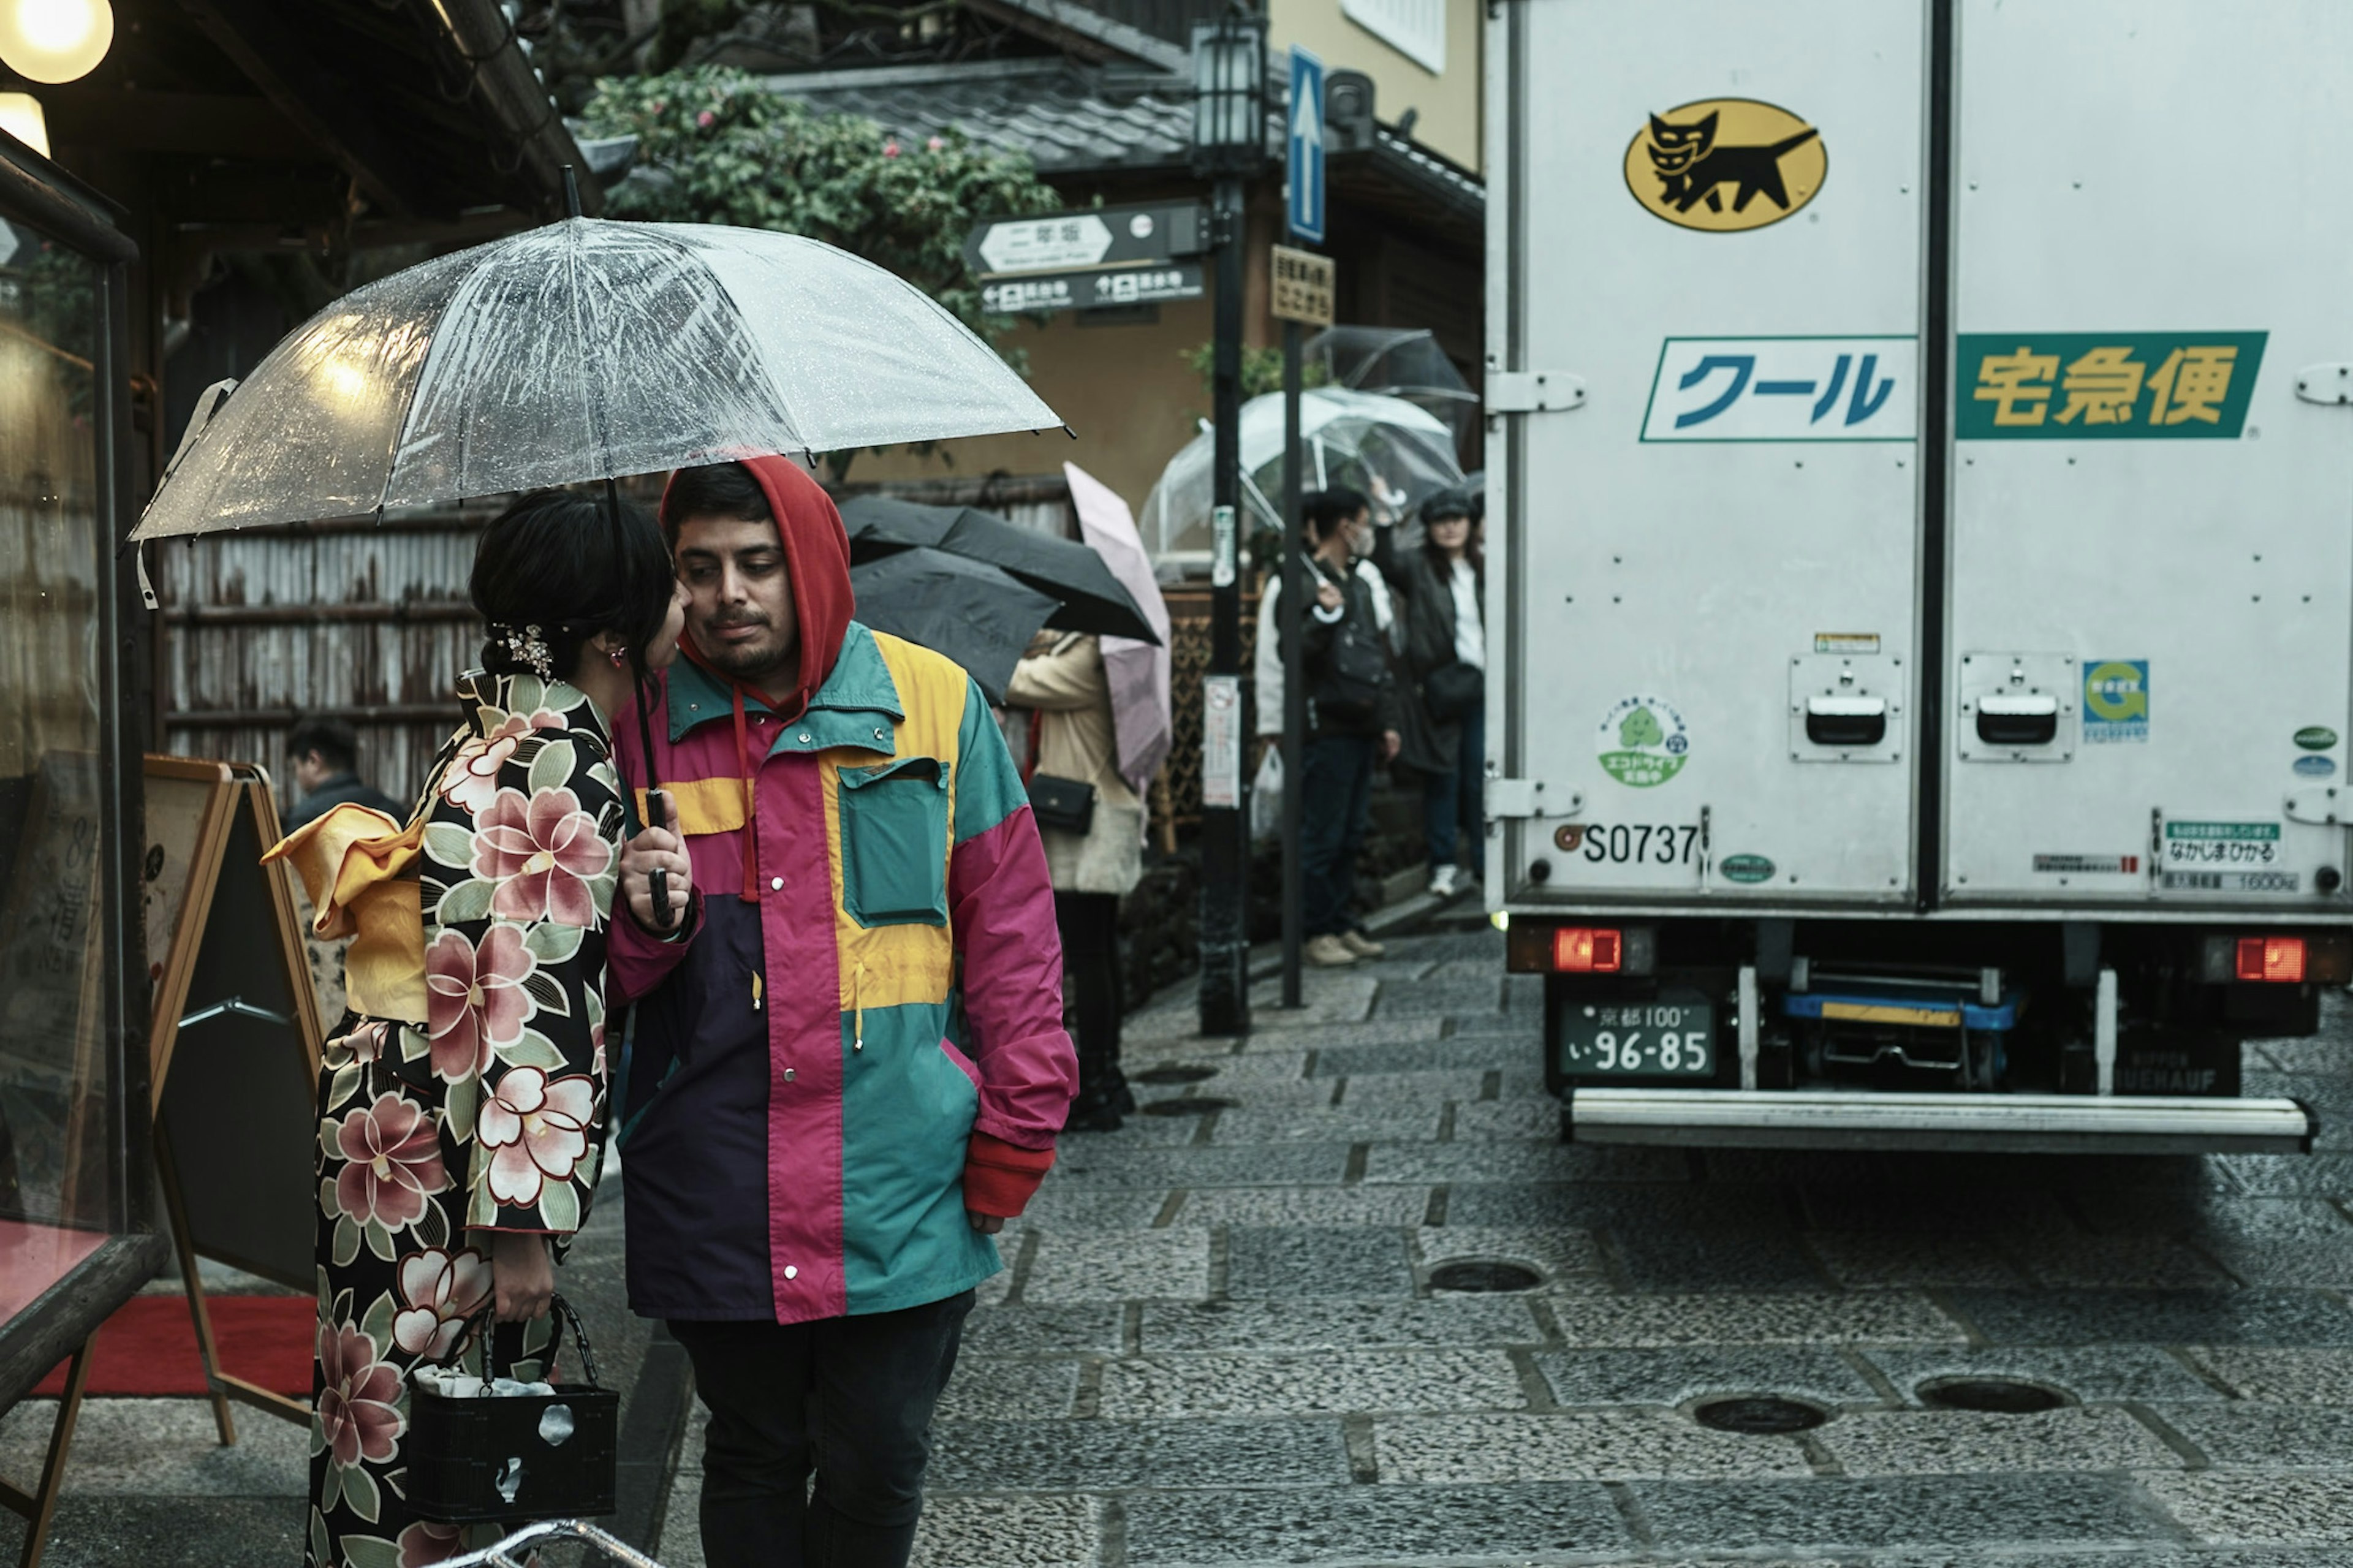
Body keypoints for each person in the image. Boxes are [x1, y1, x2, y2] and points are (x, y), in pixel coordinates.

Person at [607, 456, 1076, 1568]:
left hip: (902, 1171)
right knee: (754, 1451)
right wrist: (648, 921)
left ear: (811, 564)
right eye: (701, 568)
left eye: (758, 564)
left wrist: (1020, 1120)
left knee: (880, 1455)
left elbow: (1013, 934)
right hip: (714, 1175)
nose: (730, 594)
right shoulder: (634, 730)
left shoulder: (936, 702)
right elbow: (588, 975)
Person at [268, 489, 692, 1568]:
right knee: (437, 1442)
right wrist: (521, 1219)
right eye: (670, 583)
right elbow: (523, 986)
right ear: (611, 630)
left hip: (394, 1121)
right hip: (457, 1151)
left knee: (382, 1409)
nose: (686, 604)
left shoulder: (499, 722)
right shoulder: (564, 755)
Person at [1007, 629, 1145, 1132]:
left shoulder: (1091, 657)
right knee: (1100, 951)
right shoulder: (1108, 650)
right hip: (1094, 816)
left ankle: (1098, 1087)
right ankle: (1111, 1076)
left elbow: (1021, 682)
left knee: (1089, 955)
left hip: (1087, 824)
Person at [1284, 487, 1403, 968]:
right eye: (1363, 521)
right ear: (1344, 526)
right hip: (1325, 725)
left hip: (1361, 720)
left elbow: (1375, 653)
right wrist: (1323, 614)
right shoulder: (1299, 579)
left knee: (1352, 832)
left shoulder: (1355, 581)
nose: (1368, 531)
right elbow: (1289, 654)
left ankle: (1340, 920)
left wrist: (1387, 721)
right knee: (1324, 833)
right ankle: (1317, 930)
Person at [1389, 490, 1486, 898]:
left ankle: (1485, 864)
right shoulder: (1417, 567)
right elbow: (1384, 562)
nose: (1450, 526)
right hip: (1442, 686)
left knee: (1480, 778)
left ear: (1471, 523)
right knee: (1442, 778)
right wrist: (1387, 515)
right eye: (1440, 520)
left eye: (1457, 518)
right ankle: (1443, 865)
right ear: (1428, 528)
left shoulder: (1486, 567)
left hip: (1482, 685)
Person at [282, 715, 401, 830]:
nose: (296, 775)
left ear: (313, 761)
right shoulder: (392, 811)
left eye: (295, 767)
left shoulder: (306, 818)